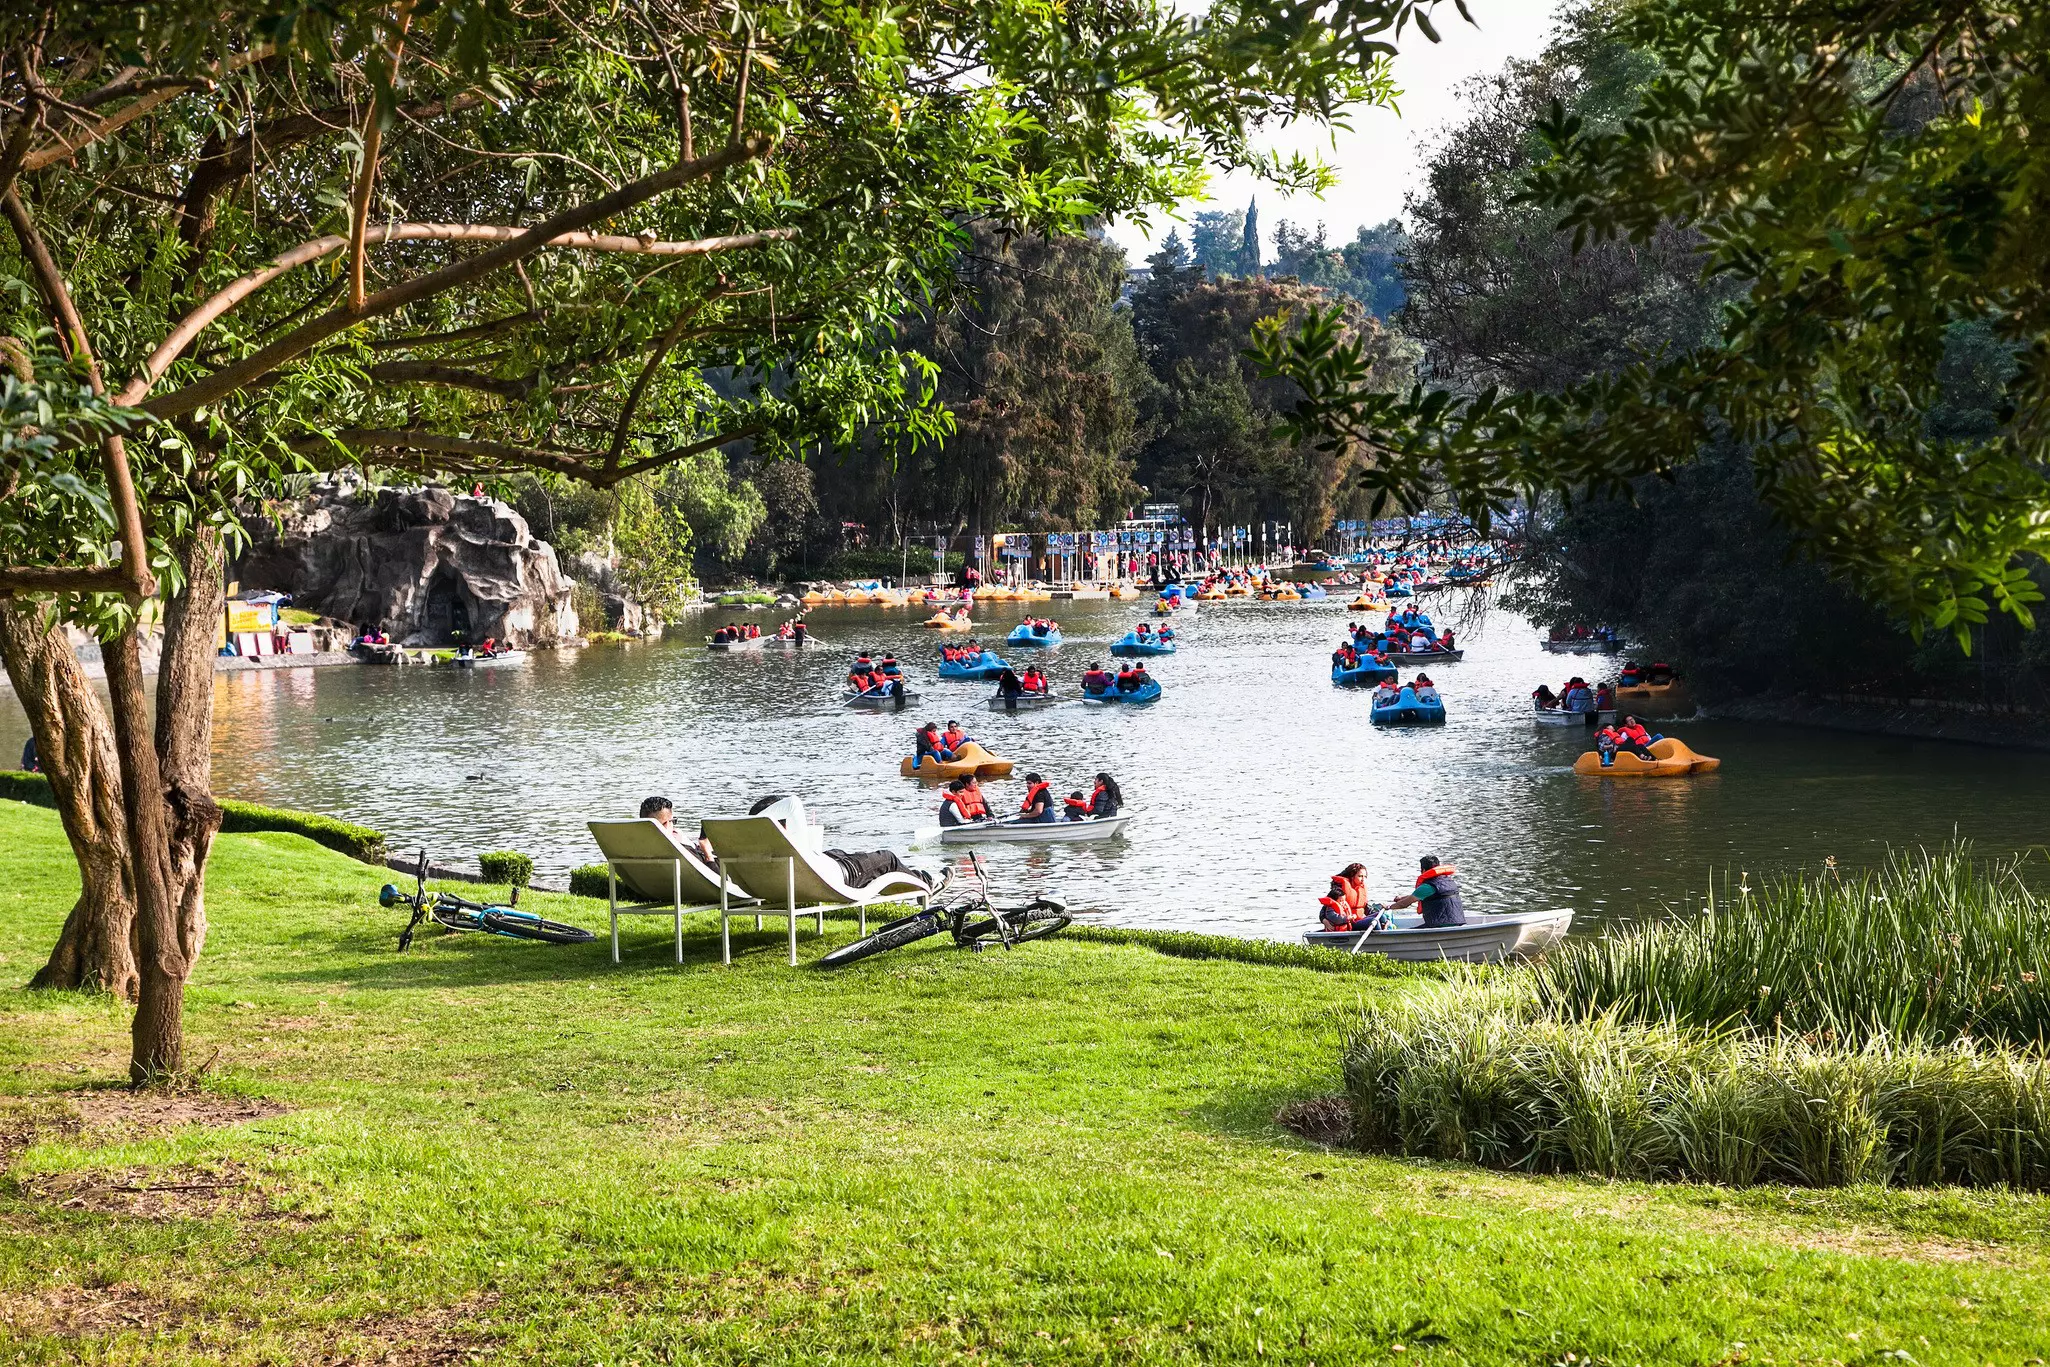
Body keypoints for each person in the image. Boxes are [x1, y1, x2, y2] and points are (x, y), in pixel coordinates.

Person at [1391, 854, 1466, 927]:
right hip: (1458, 922)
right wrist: (1401, 898)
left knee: (1408, 933)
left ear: (1423, 870)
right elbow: (1418, 896)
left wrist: (1388, 907)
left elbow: (1404, 904)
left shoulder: (1427, 886)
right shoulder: (1448, 881)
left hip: (1440, 925)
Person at [1318, 863, 1390, 933]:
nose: (1363, 879)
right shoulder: (1340, 891)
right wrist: (1325, 921)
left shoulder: (1360, 889)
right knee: (1373, 921)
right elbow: (1324, 910)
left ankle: (1385, 933)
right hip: (1348, 922)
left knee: (1382, 917)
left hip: (1360, 920)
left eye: (1365, 876)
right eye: (1360, 876)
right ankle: (1380, 940)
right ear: (1352, 876)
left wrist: (1380, 914)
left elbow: (1365, 908)